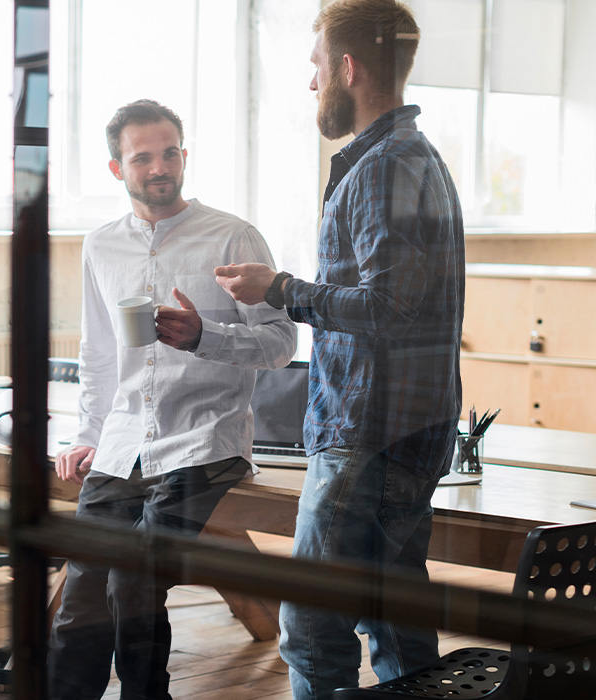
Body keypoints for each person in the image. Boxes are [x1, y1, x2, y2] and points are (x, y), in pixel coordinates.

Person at [213, 1, 465, 698]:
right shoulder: (415, 160)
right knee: (395, 625)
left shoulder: (384, 168)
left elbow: (388, 308)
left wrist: (280, 289)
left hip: (368, 438)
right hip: (404, 434)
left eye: (317, 66)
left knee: (312, 632)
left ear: (348, 68)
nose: (311, 82)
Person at [47, 99, 297, 700]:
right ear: (117, 168)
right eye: (142, 158)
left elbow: (282, 342)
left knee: (133, 578)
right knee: (82, 594)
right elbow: (98, 351)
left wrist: (206, 336)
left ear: (184, 156)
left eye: (169, 154)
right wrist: (88, 433)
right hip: (123, 442)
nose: (159, 167)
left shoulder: (232, 236)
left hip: (205, 441)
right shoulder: (100, 245)